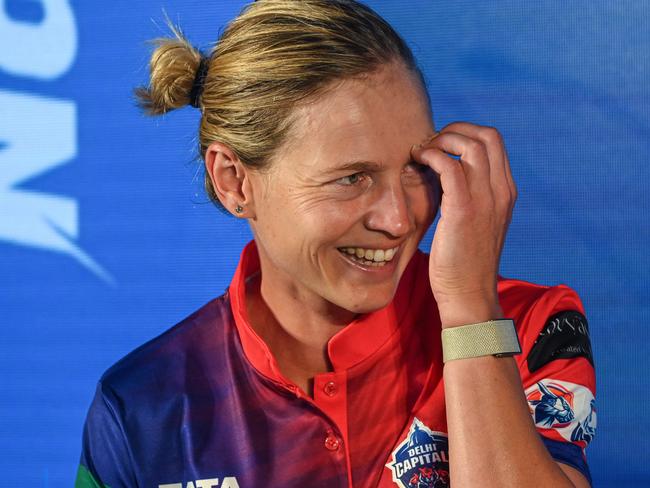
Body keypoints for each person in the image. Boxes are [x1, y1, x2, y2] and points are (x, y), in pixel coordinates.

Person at [76, 1, 597, 487]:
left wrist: (469, 312)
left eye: (417, 168)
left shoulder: (530, 325)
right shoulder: (142, 404)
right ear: (234, 181)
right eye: (352, 178)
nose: (398, 219)